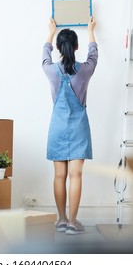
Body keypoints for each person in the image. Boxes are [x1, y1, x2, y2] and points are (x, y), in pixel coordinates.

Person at [42, 17, 98, 235]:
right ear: (76, 47)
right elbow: (94, 53)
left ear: (59, 47)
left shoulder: (50, 70)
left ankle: (62, 220)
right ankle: (73, 223)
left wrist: (50, 32)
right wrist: (91, 30)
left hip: (57, 127)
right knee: (76, 176)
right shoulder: (85, 70)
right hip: (78, 128)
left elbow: (44, 54)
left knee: (59, 176)